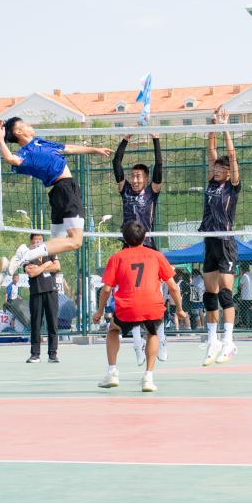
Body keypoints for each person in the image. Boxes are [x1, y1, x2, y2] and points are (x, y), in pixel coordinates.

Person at [0, 117, 112, 274]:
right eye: (25, 124)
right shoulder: (25, 154)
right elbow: (9, 158)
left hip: (59, 193)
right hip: (66, 191)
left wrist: (95, 149)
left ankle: (15, 264)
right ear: (18, 132)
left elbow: (68, 148)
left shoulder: (40, 142)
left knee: (54, 248)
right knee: (76, 241)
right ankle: (26, 254)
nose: (30, 125)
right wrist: (0, 138)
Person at [94, 221, 187, 392]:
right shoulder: (157, 256)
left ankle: (112, 372)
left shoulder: (116, 258)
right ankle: (148, 377)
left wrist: (99, 311)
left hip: (127, 308)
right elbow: (174, 287)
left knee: (113, 330)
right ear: (144, 238)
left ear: (124, 239)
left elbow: (106, 289)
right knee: (152, 333)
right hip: (152, 306)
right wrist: (180, 309)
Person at [112, 132, 169, 363]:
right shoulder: (124, 189)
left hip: (148, 248)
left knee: (155, 296)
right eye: (133, 176)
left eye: (139, 177)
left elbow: (159, 165)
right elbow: (116, 162)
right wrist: (125, 140)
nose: (135, 180)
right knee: (130, 297)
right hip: (128, 249)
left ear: (146, 179)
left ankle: (160, 340)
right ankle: (137, 345)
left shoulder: (152, 192)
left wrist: (156, 139)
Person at [199, 107, 241, 366]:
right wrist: (213, 125)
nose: (216, 169)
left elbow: (231, 156)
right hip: (210, 240)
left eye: (220, 167)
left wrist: (225, 127)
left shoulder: (232, 186)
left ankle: (229, 341)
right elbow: (211, 151)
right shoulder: (211, 182)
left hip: (226, 241)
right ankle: (212, 340)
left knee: (226, 292)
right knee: (210, 295)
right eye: (215, 167)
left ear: (228, 171)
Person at [24, 233, 61, 363]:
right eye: (35, 240)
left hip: (51, 291)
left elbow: (57, 266)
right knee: (36, 324)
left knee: (53, 323)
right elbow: (31, 272)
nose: (38, 242)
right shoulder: (27, 255)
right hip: (36, 292)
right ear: (31, 242)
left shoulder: (50, 251)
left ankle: (52, 354)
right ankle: (35, 354)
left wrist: (39, 268)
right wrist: (46, 266)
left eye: (40, 240)